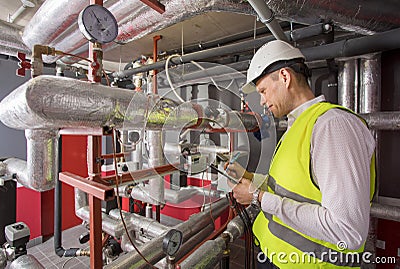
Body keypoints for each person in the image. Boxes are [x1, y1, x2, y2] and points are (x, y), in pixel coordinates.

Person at [226, 40, 376, 269]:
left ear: (285, 77)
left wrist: (258, 197)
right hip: (278, 258)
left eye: (263, 91)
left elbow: (347, 230)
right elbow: (294, 189)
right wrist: (251, 179)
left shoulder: (333, 126)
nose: (263, 101)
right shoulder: (297, 126)